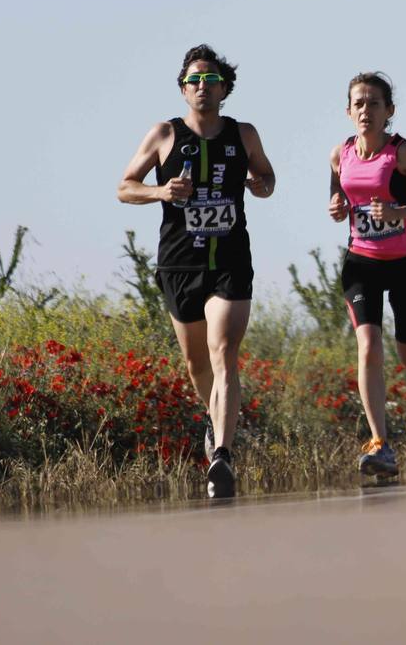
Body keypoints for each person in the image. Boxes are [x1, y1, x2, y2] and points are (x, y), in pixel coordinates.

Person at [117, 45, 276, 499]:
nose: (202, 87)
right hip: (180, 262)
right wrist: (162, 191)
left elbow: (267, 181)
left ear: (225, 88)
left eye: (211, 80)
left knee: (224, 351)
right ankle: (215, 418)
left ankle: (222, 455)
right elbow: (124, 187)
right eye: (194, 80)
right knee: (196, 363)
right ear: (183, 88)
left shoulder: (243, 134)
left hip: (229, 260)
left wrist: (260, 184)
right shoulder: (164, 134)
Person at [328, 72, 406, 477]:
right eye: (359, 103)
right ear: (349, 111)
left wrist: (401, 213)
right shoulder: (340, 154)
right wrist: (337, 205)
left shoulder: (401, 153)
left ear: (389, 111)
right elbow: (339, 192)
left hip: (405, 265)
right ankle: (380, 443)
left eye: (374, 103)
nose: (366, 110)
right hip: (361, 264)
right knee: (368, 347)